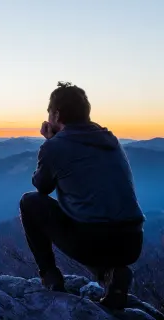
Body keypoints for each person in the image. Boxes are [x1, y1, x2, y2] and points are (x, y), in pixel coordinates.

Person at [19, 81, 145, 310]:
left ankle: (50, 277)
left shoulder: (55, 146)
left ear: (56, 114)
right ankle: (111, 275)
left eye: (49, 113)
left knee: (29, 202)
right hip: (132, 241)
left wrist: (50, 142)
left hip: (93, 241)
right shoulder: (110, 139)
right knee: (91, 219)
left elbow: (42, 186)